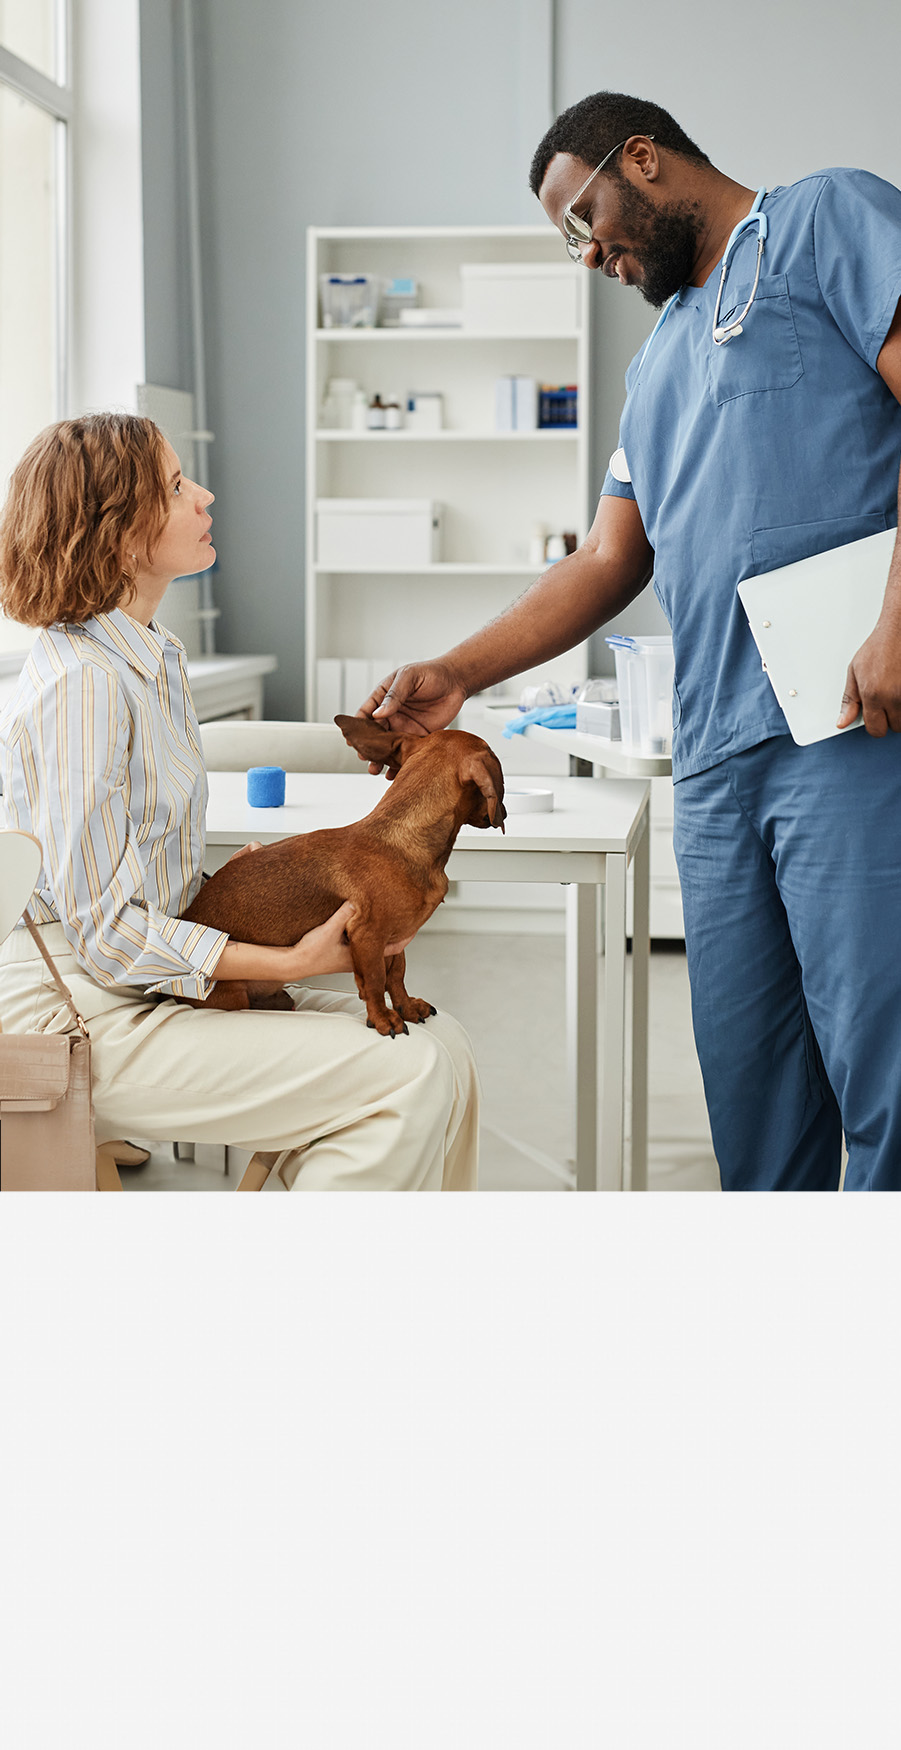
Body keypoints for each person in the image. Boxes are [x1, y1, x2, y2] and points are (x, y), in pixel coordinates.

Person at [357, 91, 901, 1192]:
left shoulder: (824, 221)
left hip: (850, 730)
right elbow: (607, 561)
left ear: (641, 159)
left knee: (882, 1064)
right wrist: (457, 671)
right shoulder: (651, 368)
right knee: (750, 1087)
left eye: (581, 218)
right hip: (715, 760)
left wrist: (899, 617)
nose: (586, 252)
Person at [0, 414, 478, 1191]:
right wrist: (290, 960)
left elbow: (125, 877)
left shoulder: (150, 659)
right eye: (177, 486)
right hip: (83, 1014)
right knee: (405, 1075)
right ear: (119, 534)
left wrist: (233, 886)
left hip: (134, 983)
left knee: (440, 1045)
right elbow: (103, 933)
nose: (206, 496)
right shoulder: (85, 686)